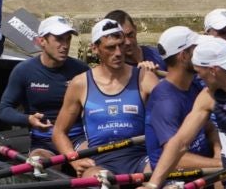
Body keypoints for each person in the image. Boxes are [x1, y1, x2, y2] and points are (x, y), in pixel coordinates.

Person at [50, 18, 158, 178]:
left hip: (140, 159)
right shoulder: (80, 83)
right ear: (95, 48)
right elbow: (59, 132)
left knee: (160, 175)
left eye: (121, 45)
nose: (118, 53)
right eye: (110, 47)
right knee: (102, 180)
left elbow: (175, 113)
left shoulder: (145, 77)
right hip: (99, 162)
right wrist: (74, 160)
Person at [142, 36, 226, 189]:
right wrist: (153, 184)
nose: (198, 77)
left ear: (213, 71)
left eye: (200, 72)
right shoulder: (208, 96)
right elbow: (180, 142)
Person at [0, 16, 88, 156]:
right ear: (42, 41)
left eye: (68, 39)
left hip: (77, 139)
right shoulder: (24, 71)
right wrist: (29, 119)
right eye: (59, 39)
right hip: (44, 142)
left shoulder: (81, 70)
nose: (65, 45)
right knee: (42, 166)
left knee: (93, 159)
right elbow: (4, 110)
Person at [143, 27, 218, 175]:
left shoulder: (194, 85)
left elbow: (209, 128)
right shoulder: (165, 102)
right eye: (197, 49)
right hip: (174, 177)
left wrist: (218, 154)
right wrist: (222, 163)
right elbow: (175, 159)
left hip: (206, 170)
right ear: (183, 56)